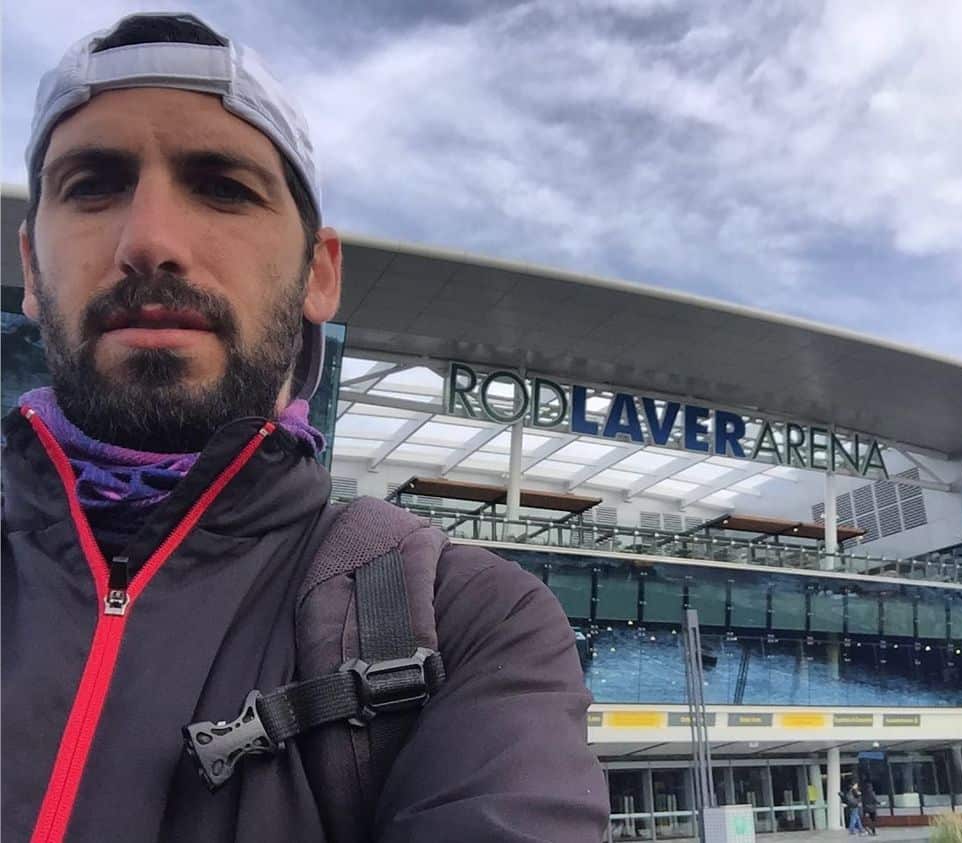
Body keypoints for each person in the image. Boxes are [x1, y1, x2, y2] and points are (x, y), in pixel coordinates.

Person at [1, 11, 609, 842]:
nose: (150, 240)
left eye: (222, 188)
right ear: (32, 268)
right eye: (93, 185)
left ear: (318, 275)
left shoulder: (470, 621)